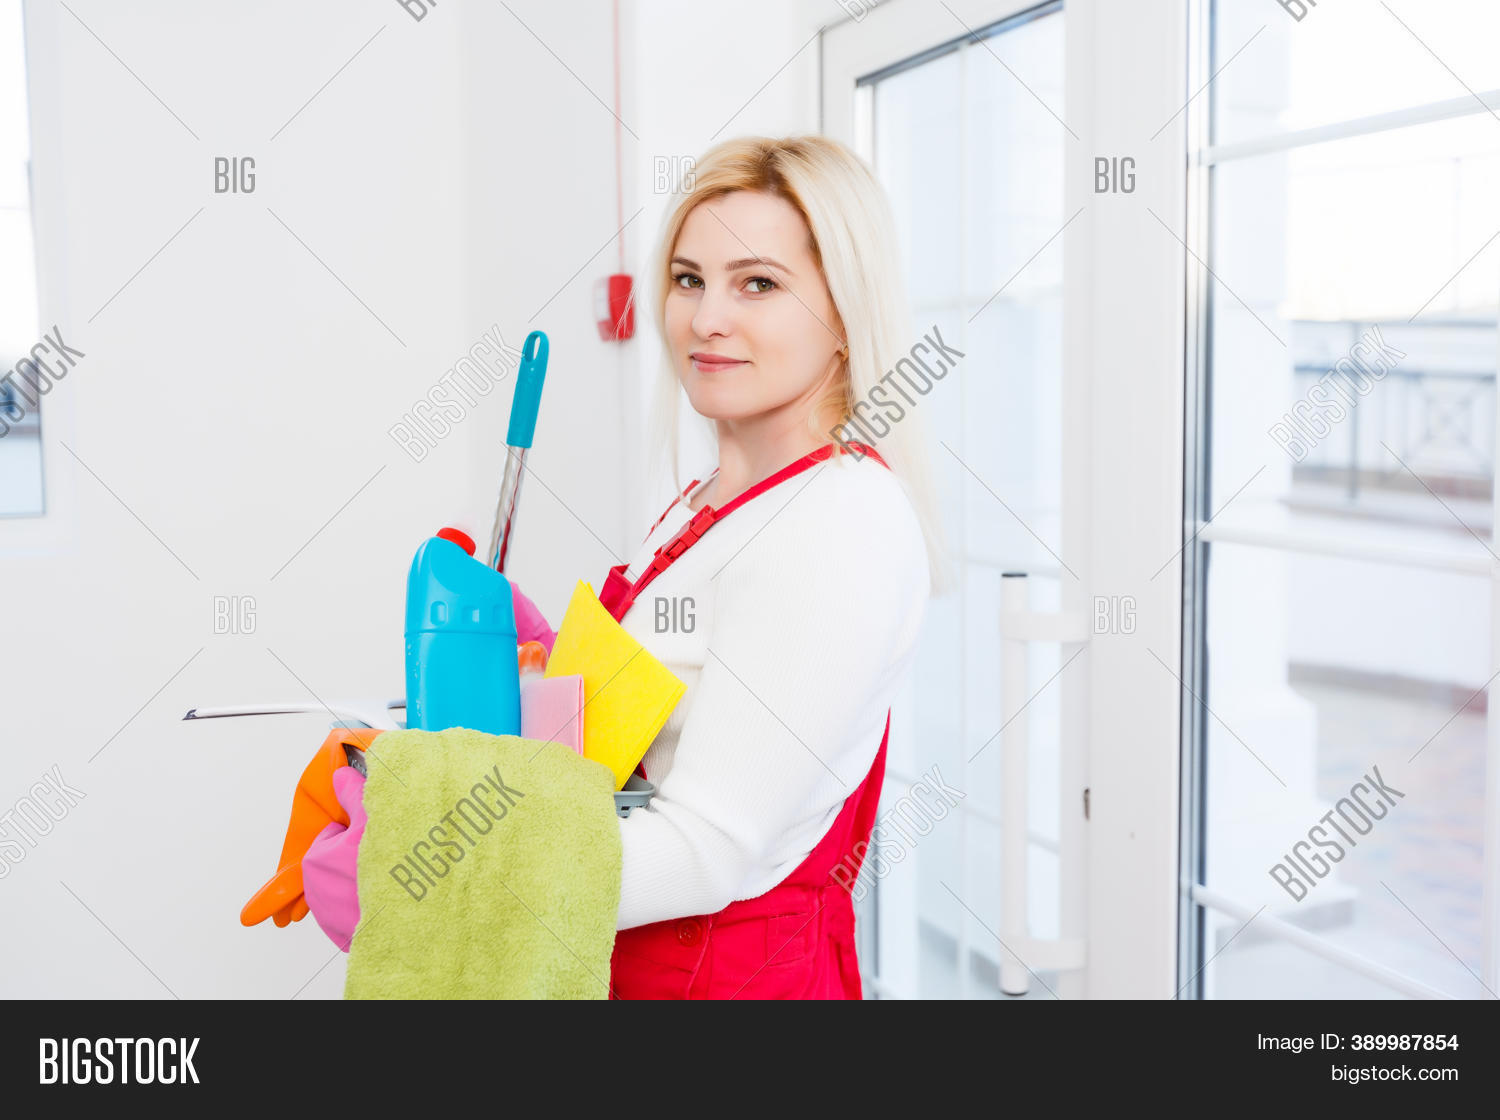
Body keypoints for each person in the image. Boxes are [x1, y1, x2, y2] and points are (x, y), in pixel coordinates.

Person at [511, 134, 950, 998]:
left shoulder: (839, 522)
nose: (707, 317)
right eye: (687, 278)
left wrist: (434, 865)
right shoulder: (704, 502)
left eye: (759, 283)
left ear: (846, 312)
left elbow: (702, 852)